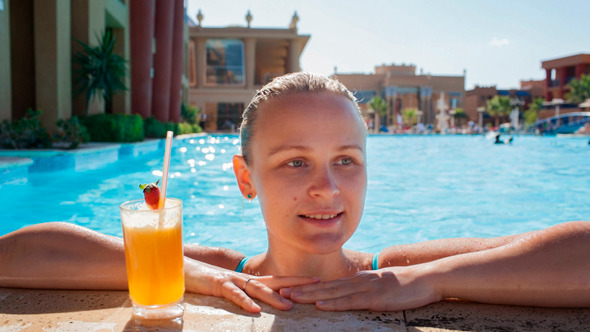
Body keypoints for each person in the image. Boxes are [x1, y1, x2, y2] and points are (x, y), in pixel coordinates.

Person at [1, 73, 589, 314]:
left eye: (345, 161)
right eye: (295, 161)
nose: (325, 187)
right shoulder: (221, 268)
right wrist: (184, 272)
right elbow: (21, 252)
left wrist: (431, 281)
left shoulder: (400, 268)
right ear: (245, 178)